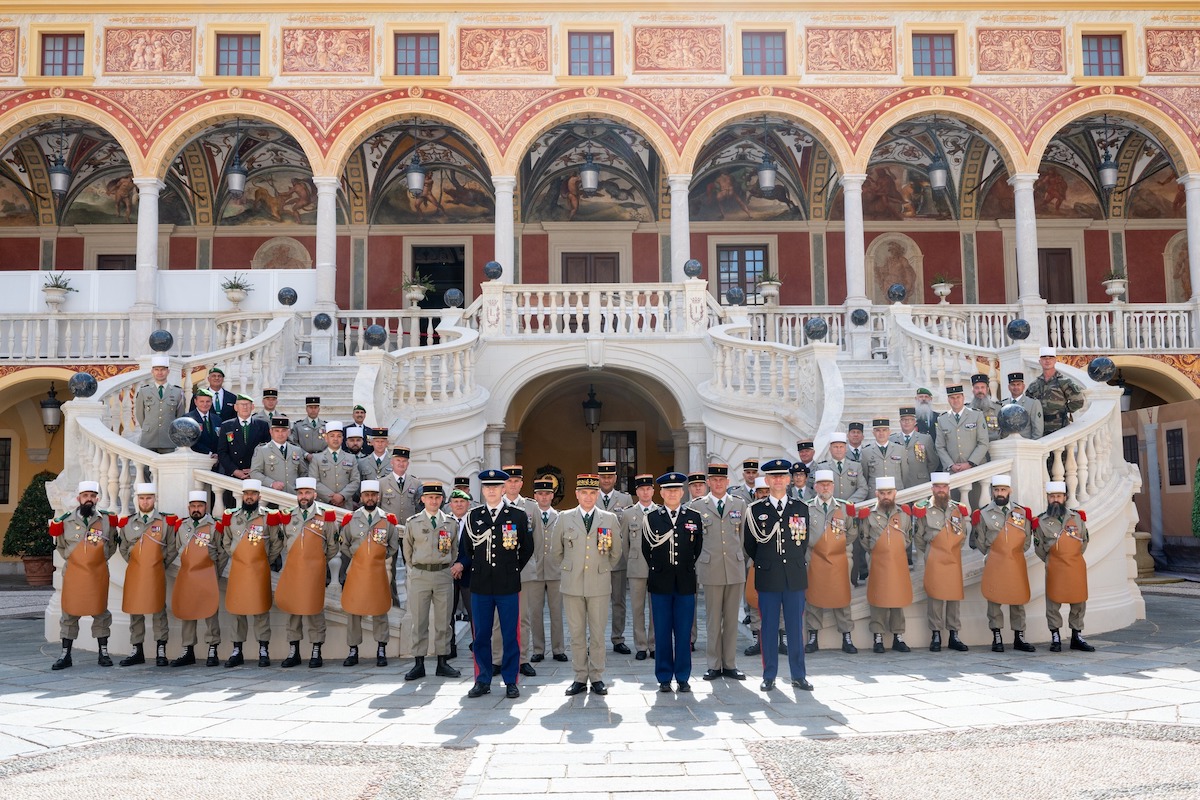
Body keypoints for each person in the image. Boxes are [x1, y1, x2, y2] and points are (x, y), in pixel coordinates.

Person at [453, 469, 533, 699]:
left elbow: (527, 547)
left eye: (496, 487)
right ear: (483, 490)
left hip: (508, 584)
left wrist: (513, 567)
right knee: (481, 635)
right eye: (487, 487)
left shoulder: (517, 515)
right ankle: (483, 679)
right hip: (480, 585)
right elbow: (467, 549)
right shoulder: (473, 516)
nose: (491, 491)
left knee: (510, 634)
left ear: (503, 489)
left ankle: (510, 680)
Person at [743, 459, 812, 692]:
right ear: (768, 481)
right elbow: (750, 545)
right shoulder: (755, 510)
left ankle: (798, 675)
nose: (779, 480)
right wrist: (769, 562)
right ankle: (769, 674)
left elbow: (802, 543)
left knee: (794, 628)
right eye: (774, 477)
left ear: (789, 479)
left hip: (794, 576)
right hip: (768, 576)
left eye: (783, 476)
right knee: (769, 628)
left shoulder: (800, 508)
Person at [553, 473, 622, 696]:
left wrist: (602, 568)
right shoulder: (564, 518)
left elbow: (616, 552)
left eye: (593, 493)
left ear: (597, 494)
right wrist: (570, 568)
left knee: (598, 633)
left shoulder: (609, 518)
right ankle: (580, 677)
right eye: (584, 492)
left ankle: (598, 676)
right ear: (577, 494)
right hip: (572, 584)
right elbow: (556, 552)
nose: (589, 497)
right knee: (576, 634)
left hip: (599, 584)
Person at [49, 481, 119, 670]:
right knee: (69, 613)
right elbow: (61, 546)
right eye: (85, 496)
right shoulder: (66, 520)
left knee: (101, 612)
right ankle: (65, 655)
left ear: (97, 499)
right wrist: (77, 560)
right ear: (79, 498)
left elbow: (112, 545)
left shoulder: (106, 520)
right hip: (73, 574)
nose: (88, 499)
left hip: (97, 574)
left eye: (92, 496)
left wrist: (97, 560)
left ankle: (103, 653)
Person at [645, 472, 703, 693]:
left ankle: (683, 676)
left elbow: (696, 548)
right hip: (660, 583)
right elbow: (646, 549)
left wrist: (683, 568)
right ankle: (664, 676)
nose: (672, 493)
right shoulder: (651, 517)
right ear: (661, 493)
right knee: (661, 631)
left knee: (683, 631)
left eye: (676, 490)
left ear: (682, 492)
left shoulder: (693, 517)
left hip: (685, 583)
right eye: (668, 490)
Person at [272, 477, 338, 668]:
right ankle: (294, 651)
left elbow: (332, 546)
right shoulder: (288, 516)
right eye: (300, 493)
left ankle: (316, 650)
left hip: (314, 571)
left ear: (314, 494)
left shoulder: (325, 516)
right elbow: (281, 541)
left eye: (307, 493)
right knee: (293, 609)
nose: (303, 496)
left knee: (314, 608)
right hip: (293, 569)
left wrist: (317, 561)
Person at [691, 463, 747, 681]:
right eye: (713, 480)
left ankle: (730, 664)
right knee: (713, 619)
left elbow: (742, 537)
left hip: (734, 567)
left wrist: (738, 557)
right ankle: (714, 664)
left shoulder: (739, 505)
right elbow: (694, 539)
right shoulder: (698, 506)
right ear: (708, 482)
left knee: (732, 619)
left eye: (721, 480)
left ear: (727, 482)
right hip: (710, 567)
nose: (717, 483)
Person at [402, 482, 462, 680]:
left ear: (442, 500)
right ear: (423, 499)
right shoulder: (413, 522)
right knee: (419, 621)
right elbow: (407, 552)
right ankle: (418, 663)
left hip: (443, 575)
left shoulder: (450, 523)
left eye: (437, 498)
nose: (434, 501)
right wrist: (418, 567)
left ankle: (442, 663)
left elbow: (454, 551)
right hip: (420, 575)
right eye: (430, 497)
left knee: (444, 621)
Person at [970, 475, 1036, 653]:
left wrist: (1013, 553)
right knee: (994, 598)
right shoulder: (984, 513)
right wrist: (994, 555)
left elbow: (1027, 539)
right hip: (995, 562)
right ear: (992, 491)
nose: (1000, 493)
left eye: (1003, 490)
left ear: (1010, 491)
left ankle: (1019, 637)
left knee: (1018, 597)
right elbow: (981, 541)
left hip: (1015, 561)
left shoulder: (1021, 513)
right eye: (996, 490)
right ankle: (996, 635)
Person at [221, 479, 280, 668]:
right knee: (238, 609)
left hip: (259, 570)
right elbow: (226, 541)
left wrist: (263, 559)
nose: (249, 497)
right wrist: (238, 555)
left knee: (261, 608)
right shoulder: (232, 516)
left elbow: (276, 542)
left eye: (253, 494)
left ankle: (263, 649)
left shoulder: (267, 517)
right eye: (247, 494)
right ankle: (237, 650)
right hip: (238, 569)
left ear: (259, 497)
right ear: (242, 496)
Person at [339, 480, 399, 667]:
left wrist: (375, 558)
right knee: (353, 609)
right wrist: (361, 559)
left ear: (378, 497)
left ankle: (381, 648)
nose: (370, 498)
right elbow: (344, 544)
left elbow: (392, 546)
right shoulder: (351, 519)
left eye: (373, 495)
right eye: (367, 495)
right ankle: (353, 650)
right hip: (356, 571)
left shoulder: (387, 520)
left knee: (380, 608)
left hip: (378, 571)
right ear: (362, 497)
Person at [119, 483, 176, 666]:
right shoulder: (128, 522)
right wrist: (136, 560)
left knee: (158, 608)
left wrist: (158, 562)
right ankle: (137, 649)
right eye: (142, 498)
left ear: (154, 499)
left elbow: (172, 547)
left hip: (156, 572)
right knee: (135, 609)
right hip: (135, 571)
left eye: (149, 498)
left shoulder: (165, 522)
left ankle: (161, 649)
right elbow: (123, 547)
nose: (145, 502)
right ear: (137, 500)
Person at [912, 473, 970, 653]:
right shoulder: (924, 509)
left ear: (949, 489)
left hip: (953, 556)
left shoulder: (957, 509)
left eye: (944, 487)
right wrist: (933, 550)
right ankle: (935, 634)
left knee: (954, 596)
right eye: (937, 487)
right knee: (935, 596)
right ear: (932, 489)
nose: (941, 490)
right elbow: (918, 536)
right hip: (934, 557)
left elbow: (963, 533)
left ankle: (954, 635)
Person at [1035, 481, 1094, 653]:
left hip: (1075, 566)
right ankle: (1055, 637)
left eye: (1058, 496)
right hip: (1054, 566)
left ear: (1065, 498)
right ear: (1047, 498)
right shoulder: (1040, 521)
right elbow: (1039, 547)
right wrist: (1053, 559)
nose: (1055, 500)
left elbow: (1084, 541)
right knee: (1053, 602)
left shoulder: (1077, 518)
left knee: (1078, 601)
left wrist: (1071, 555)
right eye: (1052, 496)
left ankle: (1077, 636)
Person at [804, 470, 858, 655]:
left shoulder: (843, 508)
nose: (825, 487)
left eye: (828, 484)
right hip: (814, 558)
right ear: (816, 487)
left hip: (838, 558)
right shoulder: (807, 508)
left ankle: (846, 636)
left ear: (833, 486)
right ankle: (813, 636)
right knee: (813, 597)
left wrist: (837, 545)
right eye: (822, 484)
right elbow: (800, 533)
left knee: (842, 596)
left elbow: (851, 532)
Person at [169, 491, 222, 667]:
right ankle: (188, 649)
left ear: (205, 507)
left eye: (199, 506)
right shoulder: (182, 526)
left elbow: (222, 553)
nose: (196, 509)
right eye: (193, 506)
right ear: (189, 508)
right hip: (188, 575)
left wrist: (215, 572)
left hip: (208, 574)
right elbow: (178, 548)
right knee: (188, 610)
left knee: (210, 611)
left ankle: (212, 648)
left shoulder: (214, 526)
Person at [861, 477, 913, 654]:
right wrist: (879, 550)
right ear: (876, 494)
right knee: (878, 597)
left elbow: (908, 536)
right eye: (882, 493)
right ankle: (878, 636)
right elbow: (864, 538)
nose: (885, 497)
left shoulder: (904, 514)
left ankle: (898, 636)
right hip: (877, 561)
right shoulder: (869, 515)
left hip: (898, 561)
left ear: (895, 493)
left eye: (889, 493)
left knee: (897, 596)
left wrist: (895, 549)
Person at [525, 478, 567, 665]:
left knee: (557, 611)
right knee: (535, 612)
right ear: (535, 496)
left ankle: (558, 649)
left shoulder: (560, 517)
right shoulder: (528, 517)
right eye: (540, 494)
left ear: (552, 496)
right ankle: (538, 649)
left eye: (547, 493)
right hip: (534, 570)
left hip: (555, 571)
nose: (544, 497)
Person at [595, 462, 633, 655]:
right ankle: (595, 639)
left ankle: (618, 639)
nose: (607, 480)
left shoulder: (625, 499)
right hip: (596, 559)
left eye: (610, 477)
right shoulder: (591, 497)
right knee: (595, 601)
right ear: (598, 478)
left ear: (615, 478)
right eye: (603, 477)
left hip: (618, 558)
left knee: (618, 600)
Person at [378, 444, 420, 606]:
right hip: (390, 531)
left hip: (409, 531)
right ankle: (392, 601)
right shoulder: (382, 483)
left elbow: (418, 507)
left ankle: (413, 602)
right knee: (389, 567)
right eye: (398, 460)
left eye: (404, 461)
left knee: (412, 566)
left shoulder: (415, 483)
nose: (401, 463)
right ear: (392, 462)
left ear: (408, 463)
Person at [622, 474, 658, 661]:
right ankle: (641, 645)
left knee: (656, 609)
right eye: (641, 489)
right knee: (637, 608)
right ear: (636, 492)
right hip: (636, 567)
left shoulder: (660, 511)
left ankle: (653, 644)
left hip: (657, 568)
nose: (645, 492)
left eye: (648, 488)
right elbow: (625, 544)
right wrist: (632, 560)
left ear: (653, 490)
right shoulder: (628, 514)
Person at [935, 385, 989, 506]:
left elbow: (983, 442)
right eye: (952, 398)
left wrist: (970, 463)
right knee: (954, 509)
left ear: (963, 397)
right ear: (948, 399)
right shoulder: (942, 419)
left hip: (975, 470)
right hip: (953, 472)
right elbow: (940, 446)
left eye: (958, 397)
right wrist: (951, 465)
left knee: (976, 507)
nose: (955, 400)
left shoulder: (976, 415)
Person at [216, 394, 271, 508]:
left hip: (255, 474)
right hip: (234, 475)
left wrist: (254, 470)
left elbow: (267, 451)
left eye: (248, 405)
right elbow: (222, 452)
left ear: (253, 407)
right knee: (232, 509)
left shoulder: (262, 425)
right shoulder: (227, 426)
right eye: (242, 404)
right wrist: (235, 471)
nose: (245, 407)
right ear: (236, 407)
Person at [1025, 348, 1084, 435]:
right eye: (1044, 358)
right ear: (1040, 361)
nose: (1047, 361)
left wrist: (1063, 410)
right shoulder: (1034, 385)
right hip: (1039, 428)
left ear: (1055, 360)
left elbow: (1078, 401)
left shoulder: (1064, 382)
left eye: (1050, 358)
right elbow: (1027, 404)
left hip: (1059, 427)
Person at [136, 355, 185, 455]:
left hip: (167, 438)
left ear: (168, 371)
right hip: (148, 437)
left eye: (163, 369)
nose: (159, 372)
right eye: (156, 369)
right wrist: (148, 427)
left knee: (166, 468)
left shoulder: (177, 391)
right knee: (146, 469)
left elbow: (180, 416)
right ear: (152, 371)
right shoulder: (144, 391)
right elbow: (140, 414)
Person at [445, 487, 473, 659]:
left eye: (462, 501)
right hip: (448, 573)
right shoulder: (445, 522)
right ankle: (450, 646)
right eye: (455, 501)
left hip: (469, 573)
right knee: (448, 613)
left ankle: (477, 645)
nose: (459, 504)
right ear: (450, 504)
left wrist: (462, 564)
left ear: (468, 504)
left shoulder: (473, 522)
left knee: (474, 613)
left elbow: (476, 548)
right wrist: (452, 566)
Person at [251, 416, 307, 493]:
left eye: (283, 430)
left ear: (288, 432)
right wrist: (271, 483)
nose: (280, 434)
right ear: (271, 432)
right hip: (272, 496)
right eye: (277, 431)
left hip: (293, 495)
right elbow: (254, 472)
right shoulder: (262, 450)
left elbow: (303, 473)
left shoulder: (297, 450)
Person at [312, 421, 359, 509]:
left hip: (345, 505)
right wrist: (331, 498)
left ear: (342, 439)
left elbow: (355, 481)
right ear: (326, 438)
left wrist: (342, 496)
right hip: (323, 505)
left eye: (339, 436)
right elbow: (314, 481)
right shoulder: (316, 458)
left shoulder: (351, 458)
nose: (335, 439)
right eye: (332, 436)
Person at [892, 406, 938, 488]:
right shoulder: (892, 439)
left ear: (915, 422)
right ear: (900, 422)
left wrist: (924, 473)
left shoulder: (925, 439)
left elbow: (933, 461)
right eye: (904, 420)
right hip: (900, 483)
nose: (907, 422)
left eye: (910, 420)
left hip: (920, 481)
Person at [861, 418, 904, 493]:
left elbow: (905, 474)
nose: (881, 433)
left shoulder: (900, 449)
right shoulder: (866, 452)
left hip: (896, 492)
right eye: (878, 430)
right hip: (875, 494)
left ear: (889, 432)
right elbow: (865, 475)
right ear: (873, 433)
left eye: (884, 430)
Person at [1002, 373, 1044, 439]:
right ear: (1009, 387)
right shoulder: (1002, 404)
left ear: (1023, 386)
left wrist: (1033, 445)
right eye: (1013, 385)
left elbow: (1037, 430)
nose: (1016, 387)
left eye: (1018, 384)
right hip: (1006, 444)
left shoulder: (1033, 403)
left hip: (1025, 444)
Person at [185, 388, 221, 464]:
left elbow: (221, 440)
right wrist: (209, 453)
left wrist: (218, 454)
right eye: (201, 401)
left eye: (208, 401)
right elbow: (190, 441)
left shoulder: (217, 419)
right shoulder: (188, 419)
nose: (205, 404)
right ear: (195, 402)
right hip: (197, 459)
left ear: (211, 402)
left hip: (216, 461)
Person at [969, 373, 1003, 443]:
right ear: (973, 390)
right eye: (977, 388)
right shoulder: (967, 410)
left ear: (987, 389)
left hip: (993, 447)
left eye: (982, 387)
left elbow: (1003, 432)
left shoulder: (998, 409)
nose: (980, 391)